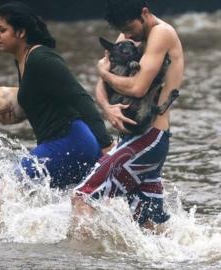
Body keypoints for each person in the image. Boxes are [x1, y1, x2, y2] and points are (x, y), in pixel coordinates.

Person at [72, 0, 184, 229]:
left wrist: (103, 71)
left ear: (144, 13)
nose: (127, 35)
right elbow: (102, 83)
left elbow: (137, 87)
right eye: (122, 30)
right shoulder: (127, 35)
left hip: (148, 138)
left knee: (82, 197)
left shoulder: (161, 33)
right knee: (147, 228)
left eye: (130, 28)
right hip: (135, 141)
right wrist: (107, 106)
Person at [0, 2, 114, 188]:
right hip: (61, 144)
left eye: (2, 30)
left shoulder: (42, 58)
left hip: (72, 142)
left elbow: (81, 99)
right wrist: (13, 116)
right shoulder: (22, 61)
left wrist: (106, 146)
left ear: (20, 32)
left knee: (4, 187)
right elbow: (43, 104)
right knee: (69, 207)